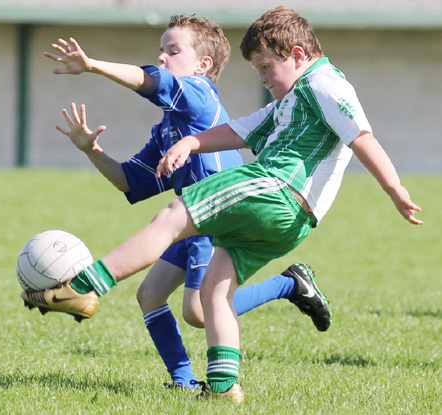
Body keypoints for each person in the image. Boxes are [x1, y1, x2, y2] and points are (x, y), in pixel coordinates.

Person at [22, 6, 423, 403]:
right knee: (214, 292)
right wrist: (181, 142)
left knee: (173, 219)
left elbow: (361, 137)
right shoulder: (286, 103)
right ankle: (223, 386)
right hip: (289, 219)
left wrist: (395, 189)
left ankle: (84, 287)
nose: (263, 79)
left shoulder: (315, 84)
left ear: (298, 55)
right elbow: (234, 132)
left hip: (269, 191)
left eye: (266, 68)